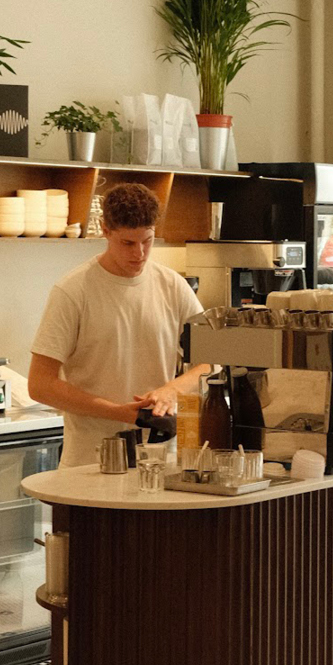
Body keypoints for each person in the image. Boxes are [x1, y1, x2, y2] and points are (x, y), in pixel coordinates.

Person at [28, 182, 212, 468]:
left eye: (147, 241)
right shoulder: (73, 291)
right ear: (105, 230)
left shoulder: (172, 285)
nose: (139, 253)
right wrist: (120, 412)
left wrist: (172, 390)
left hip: (159, 460)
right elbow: (40, 385)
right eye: (128, 243)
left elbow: (211, 360)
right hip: (90, 462)